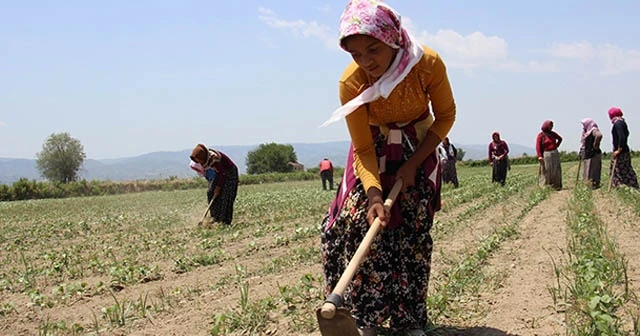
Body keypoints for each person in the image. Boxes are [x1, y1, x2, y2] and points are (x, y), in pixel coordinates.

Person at [319, 1, 456, 334]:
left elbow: (446, 116)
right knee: (354, 223)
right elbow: (363, 148)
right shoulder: (351, 83)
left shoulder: (427, 65)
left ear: (392, 38)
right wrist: (374, 193)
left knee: (413, 226)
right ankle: (366, 319)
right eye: (355, 54)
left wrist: (413, 164)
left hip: (418, 142)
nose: (366, 61)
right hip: (374, 147)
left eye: (372, 49)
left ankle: (409, 321)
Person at [189, 144, 239, 225]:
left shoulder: (214, 158)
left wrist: (218, 187)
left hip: (229, 172)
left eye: (199, 160)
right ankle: (215, 217)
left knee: (227, 196)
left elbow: (222, 173)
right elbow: (217, 173)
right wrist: (215, 188)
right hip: (219, 174)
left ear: (203, 157)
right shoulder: (206, 160)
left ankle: (225, 221)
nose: (199, 162)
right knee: (210, 192)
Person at [607, 107, 638, 189]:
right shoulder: (622, 122)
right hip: (624, 151)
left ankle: (624, 187)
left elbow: (622, 137)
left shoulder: (618, 123)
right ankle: (626, 187)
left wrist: (619, 150)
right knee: (624, 169)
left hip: (621, 152)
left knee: (621, 170)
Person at [535, 120, 563, 190]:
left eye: (552, 126)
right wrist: (540, 156)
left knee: (555, 169)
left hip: (555, 153)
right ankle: (546, 185)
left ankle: (556, 186)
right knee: (546, 170)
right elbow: (538, 146)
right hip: (546, 154)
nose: (551, 127)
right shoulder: (541, 135)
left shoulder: (552, 134)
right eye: (550, 126)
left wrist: (556, 146)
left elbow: (560, 139)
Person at [580, 118, 603, 189]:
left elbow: (599, 135)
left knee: (592, 169)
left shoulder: (594, 130)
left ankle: (593, 184)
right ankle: (589, 184)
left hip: (593, 154)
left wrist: (595, 145)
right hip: (588, 153)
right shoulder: (587, 131)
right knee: (588, 169)